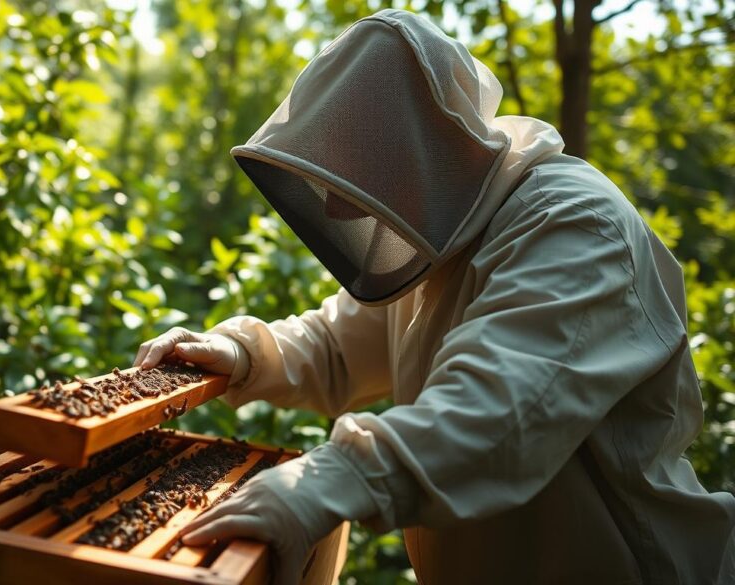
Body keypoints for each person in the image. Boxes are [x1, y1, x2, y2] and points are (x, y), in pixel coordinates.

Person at [133, 9, 735, 585]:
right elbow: (341, 343)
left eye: (354, 171)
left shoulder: (573, 225)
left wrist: (327, 480)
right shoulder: (445, 235)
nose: (338, 207)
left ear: (421, 147)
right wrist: (243, 352)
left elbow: (499, 414)